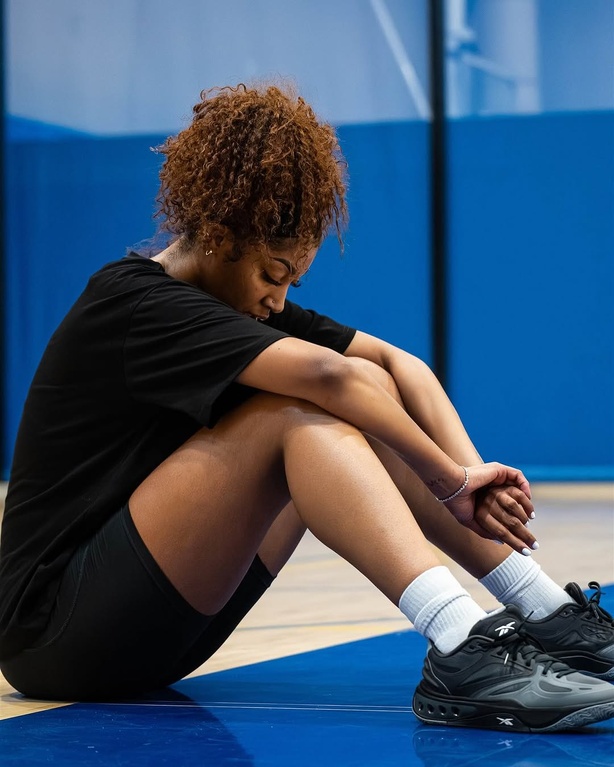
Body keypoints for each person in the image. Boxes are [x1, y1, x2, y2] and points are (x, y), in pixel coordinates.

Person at [0, 83, 612, 733]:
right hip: (54, 633)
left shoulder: (243, 297)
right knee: (293, 416)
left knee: (370, 408)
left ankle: (547, 612)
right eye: (273, 273)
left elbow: (403, 369)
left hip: (158, 630)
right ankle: (462, 644)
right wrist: (448, 481)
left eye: (293, 279)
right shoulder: (130, 302)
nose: (278, 297)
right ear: (214, 236)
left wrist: (470, 478)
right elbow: (329, 375)